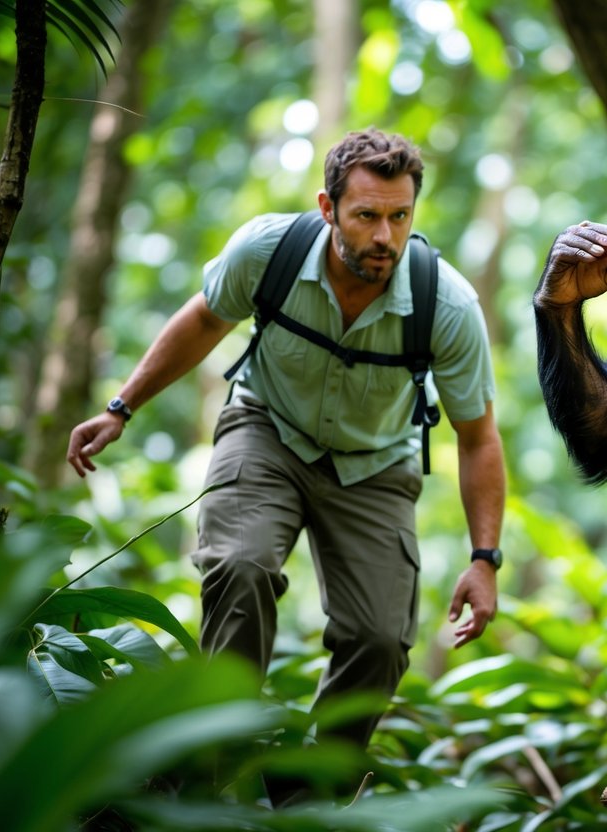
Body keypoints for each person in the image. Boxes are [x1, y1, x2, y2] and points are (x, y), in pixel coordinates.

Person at [67, 128, 506, 760]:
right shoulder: (268, 250)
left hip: (376, 465)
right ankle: (216, 758)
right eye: (366, 216)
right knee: (240, 568)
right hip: (265, 430)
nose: (385, 236)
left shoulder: (447, 305)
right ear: (328, 210)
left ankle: (315, 795)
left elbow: (477, 436)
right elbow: (205, 318)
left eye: (399, 216)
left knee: (380, 640)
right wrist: (121, 407)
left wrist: (485, 558)